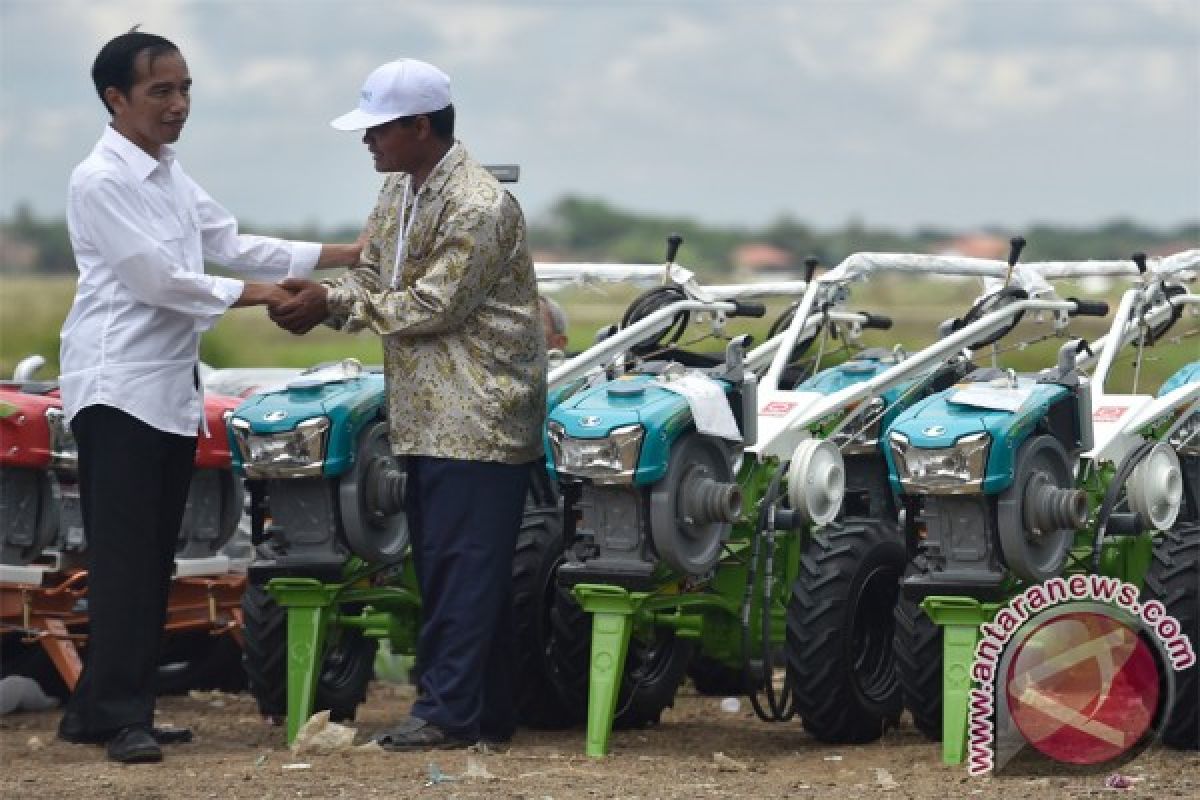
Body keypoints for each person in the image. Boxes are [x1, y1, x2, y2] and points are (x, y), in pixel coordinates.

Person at [55, 30, 360, 764]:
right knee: (127, 558)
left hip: (162, 391)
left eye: (185, 88)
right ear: (115, 98)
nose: (178, 104)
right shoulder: (100, 180)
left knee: (151, 554)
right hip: (117, 387)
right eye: (161, 91)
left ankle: (102, 708)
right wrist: (268, 297)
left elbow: (227, 238)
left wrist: (346, 254)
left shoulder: (166, 173)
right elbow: (158, 280)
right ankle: (120, 715)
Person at [270, 58, 546, 751]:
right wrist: (334, 294)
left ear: (421, 126)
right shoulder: (401, 192)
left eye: (379, 130)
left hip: (478, 414)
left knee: (463, 568)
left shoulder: (479, 205)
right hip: (428, 416)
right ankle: (485, 712)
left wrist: (328, 302)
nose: (369, 142)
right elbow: (372, 273)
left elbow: (434, 303)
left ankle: (447, 714)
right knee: (454, 564)